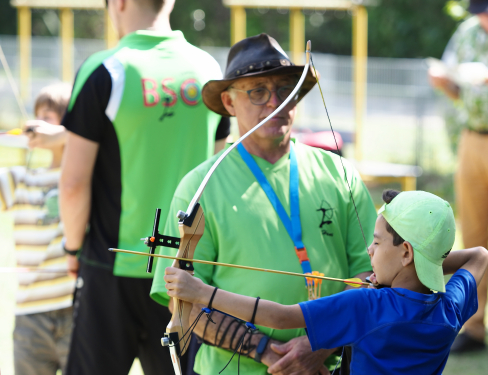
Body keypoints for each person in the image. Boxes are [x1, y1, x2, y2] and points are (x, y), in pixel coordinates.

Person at [150, 33, 377, 375]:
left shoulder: (339, 172)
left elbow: (373, 277)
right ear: (229, 103)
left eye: (286, 89)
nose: (276, 102)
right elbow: (184, 303)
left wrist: (320, 344)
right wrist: (272, 355)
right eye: (257, 91)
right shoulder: (199, 187)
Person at [58, 0, 229, 374]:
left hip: (111, 267)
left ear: (117, 3)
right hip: (185, 274)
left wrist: (72, 248)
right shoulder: (208, 70)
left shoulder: (105, 68)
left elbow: (72, 184)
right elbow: (219, 177)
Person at [164, 190, 488, 375]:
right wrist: (423, 264)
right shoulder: (451, 307)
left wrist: (201, 292)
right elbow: (480, 256)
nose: (369, 250)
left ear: (404, 252)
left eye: (376, 243)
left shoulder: (370, 304)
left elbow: (280, 317)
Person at [428, 0, 488, 353]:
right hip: (473, 139)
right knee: (472, 235)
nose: (485, 17)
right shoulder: (468, 32)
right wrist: (443, 82)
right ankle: (474, 328)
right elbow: (458, 89)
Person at [0, 83, 73, 375]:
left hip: (75, 308)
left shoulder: (88, 178)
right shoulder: (19, 178)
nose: (38, 123)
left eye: (50, 116)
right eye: (38, 115)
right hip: (30, 313)